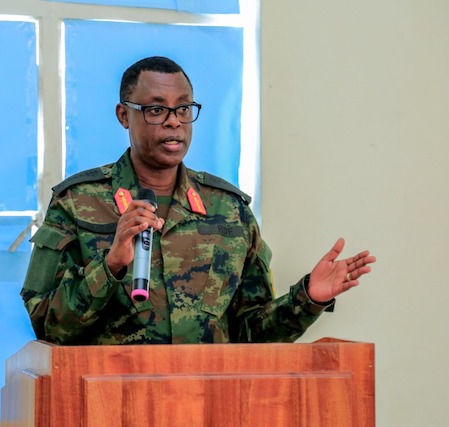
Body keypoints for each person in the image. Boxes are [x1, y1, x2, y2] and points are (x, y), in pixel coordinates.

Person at [20, 56, 376, 345]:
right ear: (124, 115)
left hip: (208, 398)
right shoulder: (77, 202)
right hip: (113, 398)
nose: (174, 122)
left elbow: (251, 336)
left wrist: (308, 298)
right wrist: (110, 265)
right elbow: (47, 327)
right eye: (156, 110)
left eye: (183, 109)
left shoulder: (229, 209)